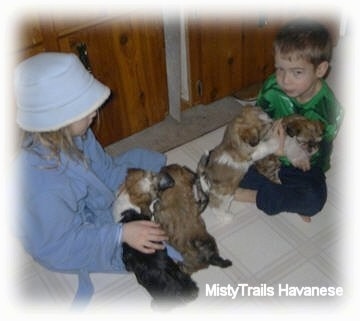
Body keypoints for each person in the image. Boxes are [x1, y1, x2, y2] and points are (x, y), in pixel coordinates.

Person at [13, 52, 181, 305]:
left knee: (146, 171)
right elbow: (61, 243)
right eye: (85, 108)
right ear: (59, 119)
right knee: (143, 252)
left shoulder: (76, 134)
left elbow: (104, 169)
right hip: (58, 242)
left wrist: (132, 188)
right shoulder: (45, 183)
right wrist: (120, 234)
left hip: (81, 207)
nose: (95, 111)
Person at [234, 19, 344, 222]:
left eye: (297, 72)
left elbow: (318, 154)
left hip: (301, 167)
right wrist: (268, 147)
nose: (285, 79)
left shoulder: (328, 109)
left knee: (314, 200)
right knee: (223, 165)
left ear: (320, 70)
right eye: (280, 69)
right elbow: (257, 122)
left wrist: (289, 153)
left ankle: (254, 196)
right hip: (266, 155)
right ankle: (285, 197)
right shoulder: (271, 88)